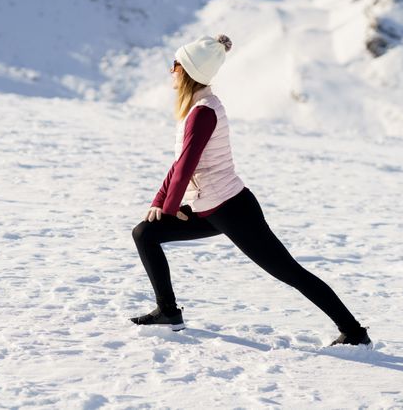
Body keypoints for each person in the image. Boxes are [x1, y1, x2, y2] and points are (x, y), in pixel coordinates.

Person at [129, 34, 371, 347]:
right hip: (208, 207)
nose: (171, 71)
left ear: (188, 71)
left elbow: (187, 165)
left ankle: (354, 332)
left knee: (289, 272)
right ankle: (168, 312)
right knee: (145, 233)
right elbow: (179, 164)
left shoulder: (203, 112)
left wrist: (171, 203)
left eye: (175, 65)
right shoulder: (197, 109)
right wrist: (160, 201)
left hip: (232, 209)